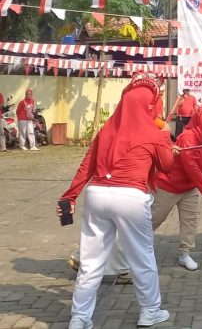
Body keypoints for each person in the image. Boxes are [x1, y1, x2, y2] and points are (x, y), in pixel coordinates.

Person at [57, 72, 174, 329]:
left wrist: (70, 195)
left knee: (90, 263)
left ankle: (79, 318)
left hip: (97, 195)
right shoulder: (152, 131)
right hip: (130, 197)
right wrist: (165, 135)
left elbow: (87, 166)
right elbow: (166, 165)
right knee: (142, 257)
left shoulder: (107, 129)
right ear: (150, 104)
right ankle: (150, 311)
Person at [152, 107, 202, 271]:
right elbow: (191, 166)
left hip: (189, 188)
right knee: (154, 219)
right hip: (168, 185)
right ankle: (134, 247)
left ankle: (185, 254)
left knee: (190, 221)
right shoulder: (188, 137)